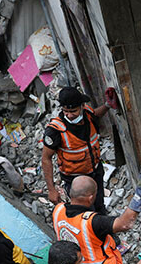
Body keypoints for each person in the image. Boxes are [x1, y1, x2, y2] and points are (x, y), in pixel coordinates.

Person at [42, 86, 116, 214]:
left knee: (99, 206)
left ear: (82, 106)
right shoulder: (55, 130)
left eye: (74, 111)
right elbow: (46, 158)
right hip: (75, 180)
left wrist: (107, 105)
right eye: (66, 111)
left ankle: (104, 229)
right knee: (86, 213)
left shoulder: (87, 114)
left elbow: (96, 114)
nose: (70, 115)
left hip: (95, 172)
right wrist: (51, 190)